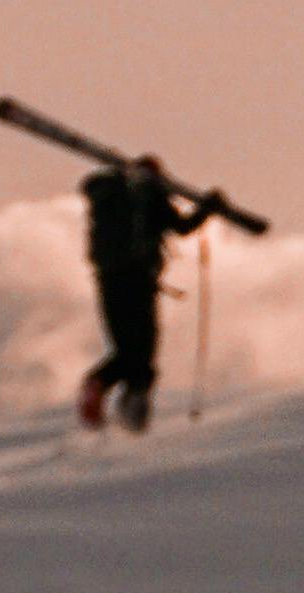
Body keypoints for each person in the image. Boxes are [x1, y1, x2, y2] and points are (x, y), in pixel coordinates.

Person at [75, 154, 233, 432]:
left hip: (108, 281)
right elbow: (184, 227)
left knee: (124, 349)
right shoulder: (152, 198)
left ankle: (100, 382)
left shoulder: (110, 199)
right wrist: (209, 206)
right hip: (139, 282)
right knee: (143, 350)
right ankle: (133, 413)